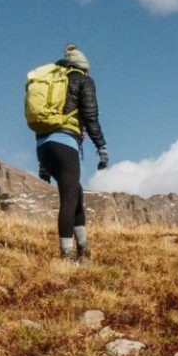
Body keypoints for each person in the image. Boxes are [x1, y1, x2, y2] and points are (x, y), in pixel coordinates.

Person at [33, 44, 108, 262]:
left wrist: (43, 164)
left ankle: (84, 249)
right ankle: (66, 256)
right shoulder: (83, 80)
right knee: (69, 198)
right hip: (65, 144)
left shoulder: (52, 81)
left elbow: (44, 119)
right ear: (84, 67)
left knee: (76, 193)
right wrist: (101, 146)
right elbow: (91, 116)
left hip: (43, 146)